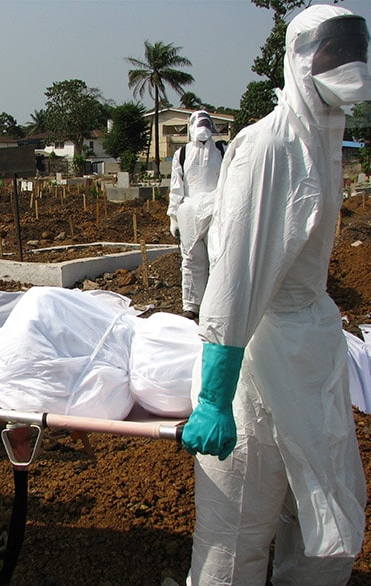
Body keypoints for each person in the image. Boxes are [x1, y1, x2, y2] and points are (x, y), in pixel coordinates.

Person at [181, 5, 369, 584]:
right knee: (234, 531)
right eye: (331, 53)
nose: (347, 67)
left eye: (352, 50)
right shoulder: (270, 148)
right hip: (254, 364)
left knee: (320, 516)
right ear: (299, 60)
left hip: (310, 355)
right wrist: (214, 395)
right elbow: (236, 278)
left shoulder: (327, 141)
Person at [167, 110, 224, 320]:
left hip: (216, 207)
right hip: (189, 210)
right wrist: (173, 216)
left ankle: (216, 304)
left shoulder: (221, 150)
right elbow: (177, 186)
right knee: (191, 258)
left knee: (217, 256)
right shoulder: (181, 154)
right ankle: (192, 305)